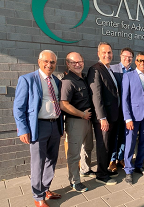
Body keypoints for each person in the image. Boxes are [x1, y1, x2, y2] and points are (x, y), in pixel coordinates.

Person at [13, 50, 64, 207]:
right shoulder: (27, 80)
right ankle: (38, 196)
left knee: (51, 160)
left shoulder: (57, 81)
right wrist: (22, 129)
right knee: (38, 162)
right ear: (39, 61)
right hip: (38, 126)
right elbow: (18, 107)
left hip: (55, 125)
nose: (49, 64)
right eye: (46, 61)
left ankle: (45, 188)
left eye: (53, 62)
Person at [59, 52, 94, 192]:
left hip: (87, 120)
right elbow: (64, 104)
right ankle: (74, 181)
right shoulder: (68, 81)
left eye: (79, 62)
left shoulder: (84, 78)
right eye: (74, 63)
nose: (77, 64)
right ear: (68, 64)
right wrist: (82, 114)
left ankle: (85, 170)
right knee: (74, 153)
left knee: (88, 147)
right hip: (76, 122)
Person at [122, 52, 144, 185]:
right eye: (140, 61)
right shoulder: (128, 76)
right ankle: (128, 169)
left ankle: (138, 165)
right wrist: (127, 118)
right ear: (136, 62)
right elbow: (125, 99)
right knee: (130, 143)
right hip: (133, 116)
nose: (143, 63)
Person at [87, 42, 119, 185]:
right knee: (103, 146)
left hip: (112, 116)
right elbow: (96, 95)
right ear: (98, 54)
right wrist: (102, 117)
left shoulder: (109, 69)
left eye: (110, 52)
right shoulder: (95, 69)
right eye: (104, 52)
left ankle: (104, 170)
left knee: (109, 145)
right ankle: (101, 175)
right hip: (104, 118)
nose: (107, 55)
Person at [109, 47, 134, 172]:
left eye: (130, 57)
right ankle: (112, 160)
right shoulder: (112, 69)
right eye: (125, 56)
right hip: (115, 109)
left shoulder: (134, 72)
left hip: (129, 111)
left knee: (125, 135)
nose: (127, 58)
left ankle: (121, 158)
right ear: (120, 56)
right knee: (114, 135)